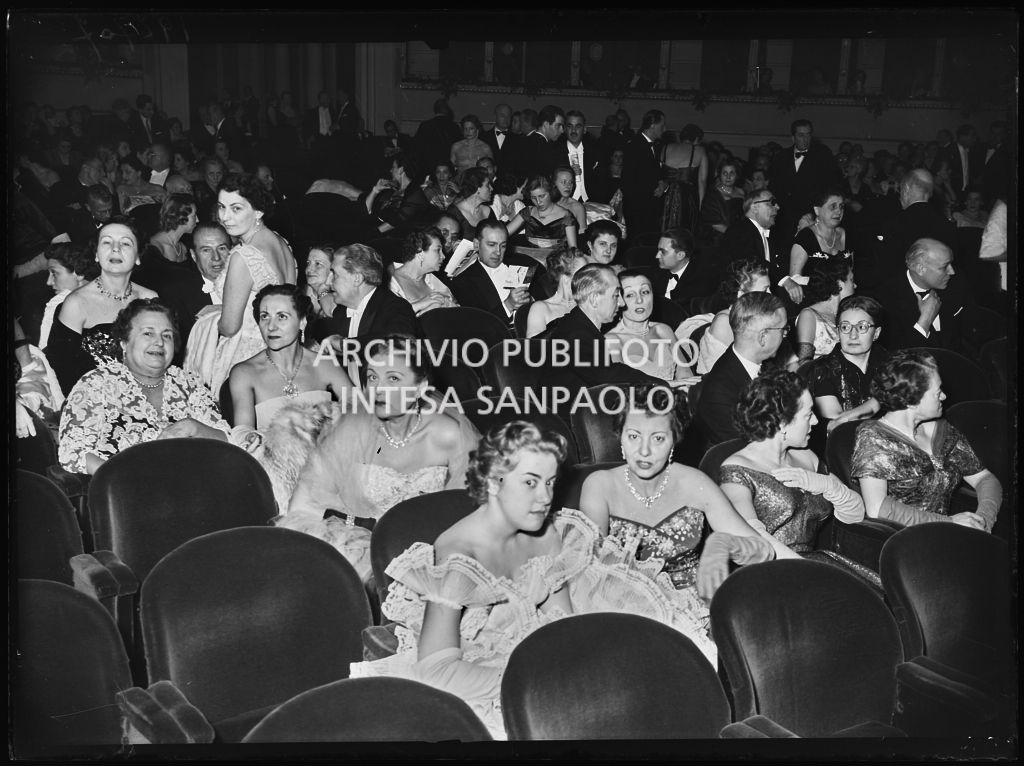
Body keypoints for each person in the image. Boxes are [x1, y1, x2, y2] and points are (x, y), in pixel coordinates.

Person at [349, 420, 769, 738]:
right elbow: (437, 670)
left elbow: (560, 618)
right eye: (530, 482)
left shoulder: (549, 530)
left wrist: (573, 668)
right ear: (494, 482)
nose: (545, 497)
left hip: (540, 651)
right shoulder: (459, 551)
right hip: (483, 669)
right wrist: (536, 680)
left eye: (550, 482)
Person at [283, 335, 480, 580]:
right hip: (362, 552)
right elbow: (302, 505)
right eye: (373, 377)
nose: (378, 389)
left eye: (394, 378)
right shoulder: (351, 429)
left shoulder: (449, 436)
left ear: (420, 388)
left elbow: (468, 514)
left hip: (434, 556)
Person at [581, 385, 772, 588]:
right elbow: (589, 572)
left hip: (696, 610)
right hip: (624, 607)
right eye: (634, 436)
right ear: (620, 436)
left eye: (658, 438)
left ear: (675, 439)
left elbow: (763, 552)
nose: (644, 451)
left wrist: (726, 545)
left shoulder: (695, 483)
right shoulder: (599, 486)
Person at [718, 369, 875, 581]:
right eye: (809, 415)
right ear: (783, 423)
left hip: (815, 564)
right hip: (768, 577)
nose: (816, 423)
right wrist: (809, 572)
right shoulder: (737, 468)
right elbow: (750, 538)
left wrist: (828, 485)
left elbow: (855, 514)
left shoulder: (808, 457)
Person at [58, 298, 229, 475]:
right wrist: (125, 478)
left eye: (167, 335)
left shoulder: (189, 384)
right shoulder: (97, 384)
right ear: (124, 342)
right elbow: (73, 453)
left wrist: (194, 427)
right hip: (125, 492)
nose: (159, 342)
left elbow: (227, 441)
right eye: (148, 333)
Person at [228, 285, 353, 509]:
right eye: (264, 317)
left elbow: (359, 412)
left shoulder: (324, 364)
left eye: (282, 317)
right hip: (277, 475)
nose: (271, 326)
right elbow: (242, 431)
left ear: (302, 322)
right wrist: (250, 439)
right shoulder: (244, 372)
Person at [852, 349, 1001, 530]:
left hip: (944, 535)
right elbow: (877, 508)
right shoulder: (873, 437)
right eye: (937, 392)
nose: (944, 396)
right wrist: (950, 523)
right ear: (912, 402)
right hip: (900, 542)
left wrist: (983, 520)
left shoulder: (941, 431)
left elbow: (984, 479)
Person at [184, 173, 297, 394]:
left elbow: (229, 327)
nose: (225, 217)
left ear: (258, 211)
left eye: (236, 209)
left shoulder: (244, 256)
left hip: (248, 354)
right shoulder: (281, 243)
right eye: (221, 207)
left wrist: (210, 322)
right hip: (281, 348)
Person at [47, 218, 159, 396]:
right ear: (97, 254)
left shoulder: (150, 299)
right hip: (94, 404)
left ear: (138, 256)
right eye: (107, 242)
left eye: (126, 243)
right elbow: (63, 372)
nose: (116, 249)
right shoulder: (76, 304)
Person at [693, 291, 787, 446]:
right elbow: (749, 455)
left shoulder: (768, 365)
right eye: (783, 329)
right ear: (763, 337)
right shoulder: (720, 394)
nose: (785, 335)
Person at [868, 238, 977, 356]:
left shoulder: (957, 284)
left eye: (951, 263)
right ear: (920, 269)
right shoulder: (884, 300)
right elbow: (898, 358)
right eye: (944, 267)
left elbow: (971, 333)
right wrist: (925, 320)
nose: (952, 271)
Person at [806, 295, 888, 433]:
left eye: (862, 327)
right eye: (845, 327)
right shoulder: (823, 370)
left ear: (876, 333)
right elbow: (838, 424)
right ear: (838, 332)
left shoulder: (889, 362)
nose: (853, 335)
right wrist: (880, 400)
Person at [693, 258, 772, 375]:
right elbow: (734, 375)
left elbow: (790, 362)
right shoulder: (725, 323)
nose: (771, 295)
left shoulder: (763, 317)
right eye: (765, 290)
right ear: (741, 295)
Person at [604, 270, 685, 382]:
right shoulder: (612, 340)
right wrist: (671, 385)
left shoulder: (664, 330)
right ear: (619, 300)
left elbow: (685, 374)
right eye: (630, 295)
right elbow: (623, 387)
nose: (640, 300)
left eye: (645, 292)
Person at [782, 189, 853, 306]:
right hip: (812, 301)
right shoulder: (806, 236)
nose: (838, 211)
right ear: (817, 210)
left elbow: (851, 272)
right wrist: (825, 283)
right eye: (833, 207)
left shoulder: (845, 234)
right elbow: (794, 278)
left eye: (841, 207)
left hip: (843, 301)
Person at [793, 260, 856, 364]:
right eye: (851, 280)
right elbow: (803, 362)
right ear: (840, 284)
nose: (855, 286)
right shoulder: (809, 315)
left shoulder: (845, 314)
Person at [39, 241, 97, 352]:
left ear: (79, 273)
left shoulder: (59, 302)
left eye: (54, 273)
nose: (49, 282)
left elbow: (44, 353)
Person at [389, 227, 458, 315]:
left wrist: (448, 304)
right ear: (420, 252)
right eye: (438, 250)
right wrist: (420, 305)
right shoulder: (389, 281)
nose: (443, 256)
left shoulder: (434, 281)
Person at [621, 109, 667, 239]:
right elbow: (628, 181)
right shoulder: (634, 146)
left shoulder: (657, 146)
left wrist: (662, 184)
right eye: (662, 125)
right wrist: (653, 189)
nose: (664, 129)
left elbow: (656, 174)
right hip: (638, 209)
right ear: (652, 124)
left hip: (650, 208)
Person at [363, 154, 434, 237]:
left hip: (388, 237)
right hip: (374, 227)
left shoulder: (415, 194)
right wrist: (375, 190)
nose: (390, 170)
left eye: (393, 167)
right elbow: (366, 210)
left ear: (401, 170)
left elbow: (396, 221)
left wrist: (370, 233)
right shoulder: (391, 190)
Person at [525, 248, 586, 338]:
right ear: (566, 279)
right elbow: (534, 348)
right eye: (584, 275)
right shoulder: (541, 308)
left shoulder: (588, 304)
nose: (590, 278)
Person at [506, 176, 579, 251]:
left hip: (556, 259)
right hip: (530, 258)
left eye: (542, 196)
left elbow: (572, 249)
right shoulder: (527, 212)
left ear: (551, 193)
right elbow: (503, 233)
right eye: (533, 198)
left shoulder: (566, 216)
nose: (538, 201)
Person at [660, 123, 707, 233]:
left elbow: (659, 173)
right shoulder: (699, 150)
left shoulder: (666, 148)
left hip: (665, 195)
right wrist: (700, 208)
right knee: (684, 232)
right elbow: (702, 182)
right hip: (686, 198)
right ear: (696, 139)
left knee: (663, 229)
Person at [700, 158, 745, 246]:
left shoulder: (742, 192)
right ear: (719, 175)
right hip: (718, 239)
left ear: (737, 175)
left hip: (739, 236)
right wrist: (735, 236)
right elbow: (715, 223)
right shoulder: (712, 195)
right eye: (725, 173)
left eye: (732, 173)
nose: (728, 177)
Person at [446, 167, 497, 241]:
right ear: (477, 188)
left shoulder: (488, 212)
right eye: (488, 185)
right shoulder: (454, 212)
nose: (491, 188)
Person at [146, 194, 198, 266]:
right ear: (181, 217)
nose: (197, 220)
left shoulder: (183, 248)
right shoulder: (156, 247)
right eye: (194, 216)